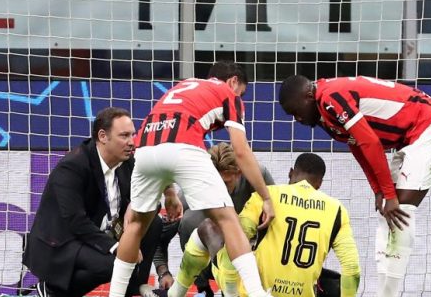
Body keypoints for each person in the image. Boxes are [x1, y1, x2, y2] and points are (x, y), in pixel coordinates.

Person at [108, 61, 275, 297]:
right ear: (233, 81)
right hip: (184, 145)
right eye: (242, 92)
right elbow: (240, 151)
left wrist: (169, 192)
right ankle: (257, 293)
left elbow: (162, 145)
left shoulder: (183, 87)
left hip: (145, 147)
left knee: (135, 224)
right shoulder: (229, 94)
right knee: (228, 221)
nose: (242, 97)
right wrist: (266, 198)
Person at [279, 75, 431, 296]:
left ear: (307, 95)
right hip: (412, 136)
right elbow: (359, 146)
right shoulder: (324, 113)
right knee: (387, 215)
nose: (298, 119)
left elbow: (370, 142)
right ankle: (384, 290)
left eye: (296, 111)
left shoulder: (329, 98)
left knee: (400, 211)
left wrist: (389, 194)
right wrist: (379, 190)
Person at [23, 107, 173, 297]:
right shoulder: (73, 166)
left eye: (133, 135)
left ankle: (135, 286)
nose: (132, 142)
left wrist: (137, 205)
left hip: (100, 233)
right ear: (103, 136)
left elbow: (151, 193)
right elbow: (76, 221)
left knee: (153, 223)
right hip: (64, 242)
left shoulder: (128, 161)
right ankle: (51, 290)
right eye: (124, 136)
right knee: (115, 264)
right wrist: (119, 248)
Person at [209, 152, 360, 297]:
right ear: (319, 183)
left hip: (256, 292)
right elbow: (352, 268)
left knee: (208, 230)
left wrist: (230, 288)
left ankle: (200, 287)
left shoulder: (266, 195)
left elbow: (236, 239)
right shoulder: (337, 210)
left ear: (290, 172)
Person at [152, 143, 275, 294]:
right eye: (215, 181)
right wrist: (163, 272)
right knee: (190, 220)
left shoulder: (257, 175)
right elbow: (158, 235)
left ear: (239, 173)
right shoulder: (196, 189)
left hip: (253, 261)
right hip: (211, 262)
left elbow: (282, 216)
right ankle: (203, 288)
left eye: (225, 182)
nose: (220, 187)